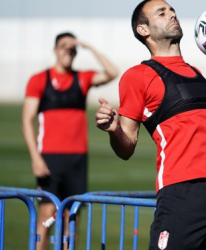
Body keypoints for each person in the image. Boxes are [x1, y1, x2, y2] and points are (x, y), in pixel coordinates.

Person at [95, 0, 206, 249]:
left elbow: (202, 120)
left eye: (172, 11)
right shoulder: (138, 76)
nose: (172, 15)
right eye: (162, 13)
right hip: (182, 190)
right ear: (143, 30)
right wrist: (114, 129)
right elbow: (127, 147)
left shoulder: (196, 71)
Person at [22, 32, 118, 250]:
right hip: (49, 158)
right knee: (47, 215)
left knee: (71, 217)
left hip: (77, 159)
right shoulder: (39, 80)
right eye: (64, 46)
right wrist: (36, 158)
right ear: (55, 50)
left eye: (72, 48)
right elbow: (26, 121)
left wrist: (88, 47)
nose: (68, 51)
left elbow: (112, 72)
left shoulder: (81, 79)